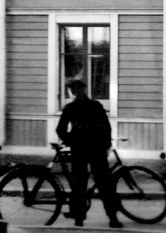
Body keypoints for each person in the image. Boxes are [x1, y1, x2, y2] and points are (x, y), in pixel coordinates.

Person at [56, 79, 123, 228]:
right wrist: (106, 145)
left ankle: (79, 219)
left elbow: (60, 130)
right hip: (95, 149)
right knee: (104, 184)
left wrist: (71, 141)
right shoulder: (94, 106)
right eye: (76, 90)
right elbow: (106, 128)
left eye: (74, 90)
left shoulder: (71, 108)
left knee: (80, 184)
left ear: (73, 91)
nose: (75, 92)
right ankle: (112, 218)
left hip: (82, 149)